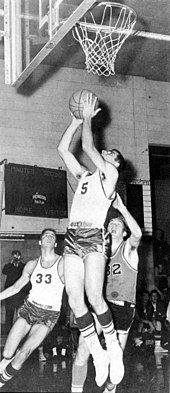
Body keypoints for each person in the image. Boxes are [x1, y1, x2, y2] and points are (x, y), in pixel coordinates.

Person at [58, 92, 125, 387]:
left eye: (110, 153)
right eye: (106, 152)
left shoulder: (109, 175)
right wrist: (75, 121)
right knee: (75, 300)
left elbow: (87, 145)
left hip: (94, 237)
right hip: (73, 235)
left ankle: (112, 348)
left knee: (95, 297)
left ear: (115, 164)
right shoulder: (85, 176)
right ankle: (97, 351)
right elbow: (63, 150)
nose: (106, 153)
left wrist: (87, 117)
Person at [71, 192, 142, 393]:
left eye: (118, 224)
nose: (113, 224)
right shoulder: (98, 252)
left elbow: (138, 235)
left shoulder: (129, 250)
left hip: (122, 309)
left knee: (115, 366)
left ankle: (110, 390)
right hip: (100, 305)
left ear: (124, 232)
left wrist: (121, 209)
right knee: (83, 349)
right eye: (111, 223)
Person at [0, 228, 64, 388]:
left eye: (52, 236)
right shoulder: (31, 264)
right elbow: (15, 288)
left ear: (56, 243)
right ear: (40, 242)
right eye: (46, 236)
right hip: (29, 309)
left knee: (22, 354)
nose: (49, 237)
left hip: (49, 314)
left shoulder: (63, 263)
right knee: (7, 353)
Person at [2, 250, 26, 334]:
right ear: (12, 256)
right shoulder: (8, 266)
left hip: (20, 294)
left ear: (20, 256)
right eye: (14, 256)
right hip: (9, 295)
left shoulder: (23, 266)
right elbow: (4, 271)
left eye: (18, 256)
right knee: (9, 314)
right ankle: (8, 332)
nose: (16, 257)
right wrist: (11, 263)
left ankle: (19, 332)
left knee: (20, 314)